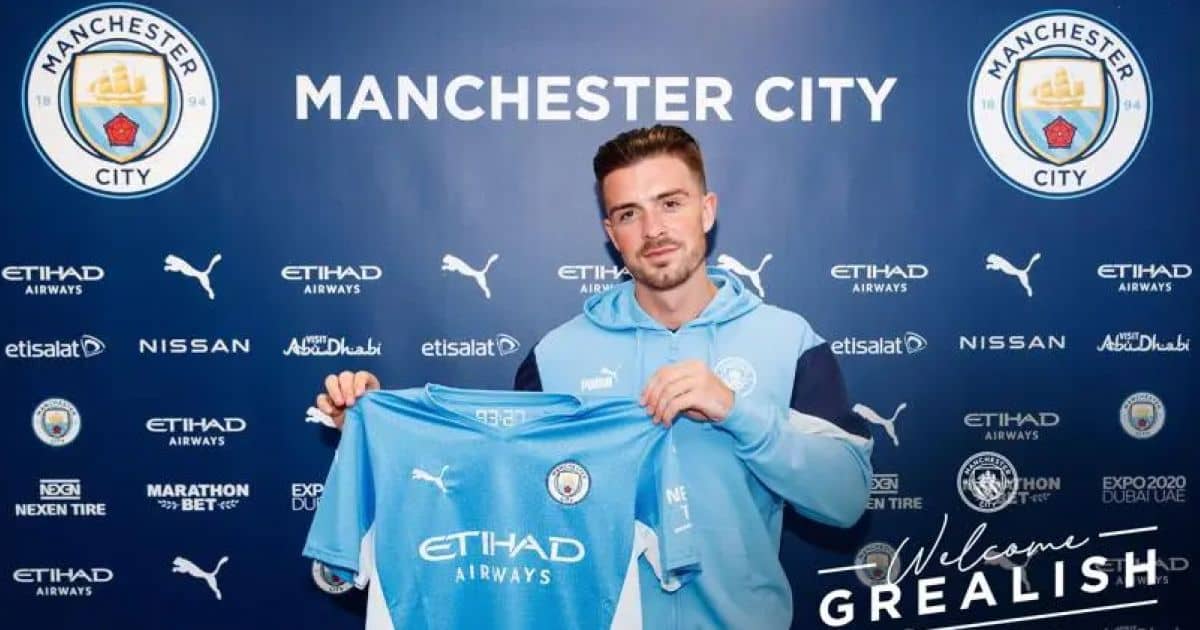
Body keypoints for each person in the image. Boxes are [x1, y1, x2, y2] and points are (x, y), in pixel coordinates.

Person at [315, 125, 873, 629]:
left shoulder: (788, 341)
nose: (653, 229)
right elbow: (498, 500)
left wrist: (738, 411)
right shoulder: (556, 357)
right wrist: (378, 436)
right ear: (611, 232)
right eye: (629, 214)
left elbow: (846, 499)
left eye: (670, 203)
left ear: (707, 210)